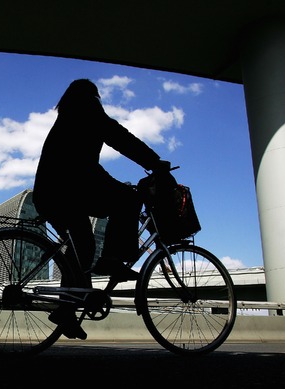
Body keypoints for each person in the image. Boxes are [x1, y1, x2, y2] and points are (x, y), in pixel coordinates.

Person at [32, 79, 170, 339]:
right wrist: (154, 162)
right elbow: (119, 137)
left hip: (53, 192)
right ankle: (112, 261)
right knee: (128, 199)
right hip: (70, 186)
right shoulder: (87, 110)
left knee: (81, 247)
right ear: (91, 96)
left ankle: (66, 310)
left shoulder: (66, 116)